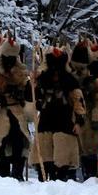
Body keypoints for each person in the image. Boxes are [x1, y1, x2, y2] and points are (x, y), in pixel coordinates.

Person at [31, 46, 86, 181]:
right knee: (44, 154)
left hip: (64, 120)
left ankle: (60, 181)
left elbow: (79, 102)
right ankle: (43, 179)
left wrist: (79, 122)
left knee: (62, 156)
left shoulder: (70, 81)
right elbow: (33, 97)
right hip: (45, 120)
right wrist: (32, 84)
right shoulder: (43, 79)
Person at [0, 36, 33, 179]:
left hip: (17, 112)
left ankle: (17, 173)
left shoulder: (21, 73)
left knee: (19, 140)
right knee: (0, 141)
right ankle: (2, 172)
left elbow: (28, 94)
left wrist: (28, 88)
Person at [71, 40, 98, 182]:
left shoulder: (92, 80)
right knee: (75, 147)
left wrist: (97, 116)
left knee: (91, 146)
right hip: (72, 114)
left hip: (88, 116)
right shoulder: (70, 75)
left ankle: (92, 177)